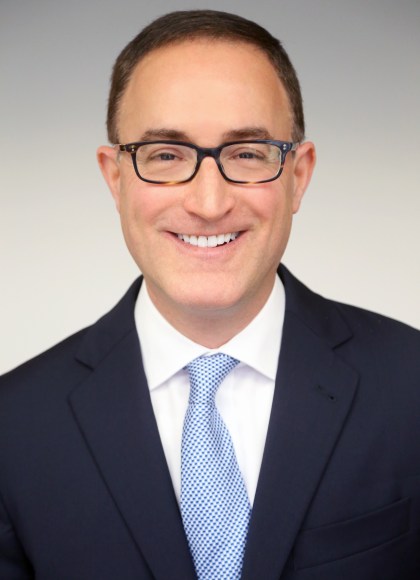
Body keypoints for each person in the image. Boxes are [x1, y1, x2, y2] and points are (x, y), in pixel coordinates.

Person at [0, 9, 419, 580]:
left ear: (298, 176)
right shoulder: (14, 427)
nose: (208, 203)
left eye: (246, 153)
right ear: (115, 178)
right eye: (165, 155)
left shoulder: (410, 384)